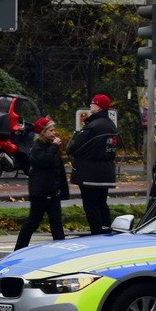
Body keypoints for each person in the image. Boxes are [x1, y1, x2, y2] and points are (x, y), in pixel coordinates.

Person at [13, 117, 69, 250]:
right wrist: (55, 146)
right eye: (50, 130)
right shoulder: (37, 147)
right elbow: (44, 161)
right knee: (33, 222)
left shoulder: (52, 147)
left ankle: (62, 250)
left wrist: (64, 191)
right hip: (40, 192)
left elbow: (59, 170)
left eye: (54, 130)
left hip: (53, 192)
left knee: (56, 223)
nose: (53, 133)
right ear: (42, 132)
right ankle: (19, 248)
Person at [67, 94, 118, 235]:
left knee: (91, 205)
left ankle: (96, 233)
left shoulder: (93, 126)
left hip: (89, 173)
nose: (90, 106)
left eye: (92, 104)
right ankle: (106, 230)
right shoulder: (110, 125)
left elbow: (72, 147)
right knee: (102, 203)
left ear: (99, 106)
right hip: (106, 172)